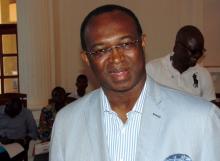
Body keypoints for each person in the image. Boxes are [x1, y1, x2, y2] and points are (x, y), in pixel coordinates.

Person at [50, 4, 220, 161]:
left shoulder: (201, 119)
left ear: (143, 42)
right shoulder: (67, 124)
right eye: (101, 50)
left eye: (126, 44)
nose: (116, 58)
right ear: (86, 58)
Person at [146, 25, 216, 102]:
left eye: (200, 52)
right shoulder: (152, 69)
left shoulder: (203, 75)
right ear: (176, 47)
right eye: (193, 51)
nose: (196, 56)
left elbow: (210, 110)